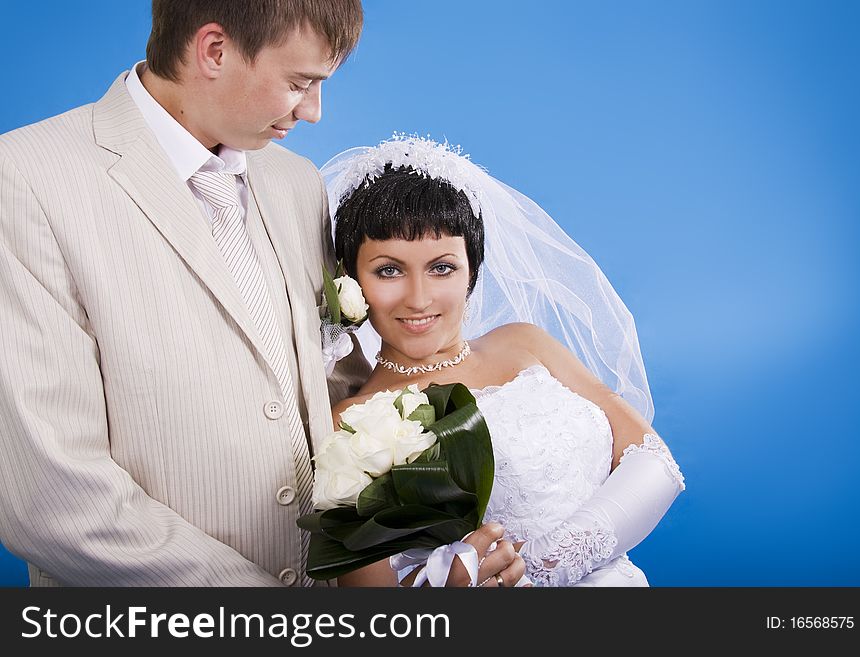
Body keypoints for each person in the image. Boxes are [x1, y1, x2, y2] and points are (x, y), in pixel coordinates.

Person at [0, 1, 514, 588]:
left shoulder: (295, 183)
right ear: (214, 50)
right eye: (300, 82)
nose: (315, 112)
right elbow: (50, 497)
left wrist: (419, 563)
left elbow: (338, 393)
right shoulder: (24, 179)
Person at [322, 134, 686, 586]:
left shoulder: (524, 342)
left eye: (442, 267)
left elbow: (654, 462)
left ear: (472, 270)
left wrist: (535, 571)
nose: (419, 298)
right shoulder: (352, 424)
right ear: (351, 281)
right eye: (389, 270)